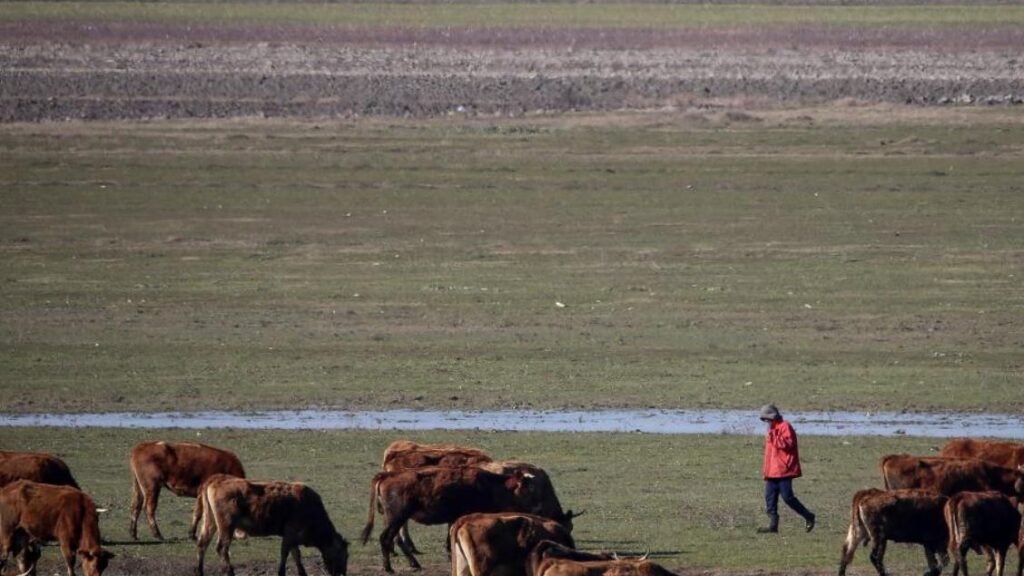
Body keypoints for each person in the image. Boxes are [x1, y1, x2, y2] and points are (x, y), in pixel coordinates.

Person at [757, 403, 815, 533]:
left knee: (788, 497)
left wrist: (773, 436)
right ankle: (773, 526)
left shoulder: (785, 426)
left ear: (773, 416)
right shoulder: (771, 428)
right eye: (764, 419)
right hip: (772, 470)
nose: (766, 421)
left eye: (767, 418)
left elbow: (788, 445)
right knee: (770, 498)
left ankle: (808, 516)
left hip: (783, 469)